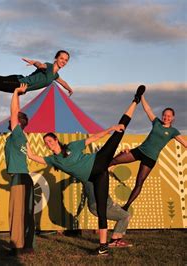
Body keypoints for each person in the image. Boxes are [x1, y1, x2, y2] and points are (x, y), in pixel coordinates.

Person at [25, 85, 145, 255]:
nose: (49, 145)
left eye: (50, 141)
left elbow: (93, 138)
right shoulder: (53, 160)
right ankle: (103, 246)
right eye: (46, 144)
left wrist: (110, 128)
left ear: (56, 140)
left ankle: (136, 100)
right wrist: (23, 134)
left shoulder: (73, 146)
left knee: (118, 133)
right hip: (96, 176)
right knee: (101, 210)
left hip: (99, 160)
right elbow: (31, 155)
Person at [110, 95, 186, 210]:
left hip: (150, 159)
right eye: (165, 115)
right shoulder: (156, 122)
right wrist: (142, 96)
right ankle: (98, 170)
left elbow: (185, 144)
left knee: (139, 182)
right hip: (140, 151)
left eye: (169, 116)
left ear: (173, 118)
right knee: (115, 160)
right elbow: (148, 110)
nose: (166, 117)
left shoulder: (173, 131)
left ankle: (126, 206)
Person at [4, 83, 35, 256]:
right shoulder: (23, 137)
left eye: (13, 120)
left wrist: (16, 92)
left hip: (20, 178)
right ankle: (27, 246)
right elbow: (31, 156)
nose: (9, 121)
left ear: (19, 123)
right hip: (24, 178)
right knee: (26, 213)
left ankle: (17, 247)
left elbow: (14, 111)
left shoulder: (17, 134)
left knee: (17, 213)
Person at [82, 181, 132, 248]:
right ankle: (114, 241)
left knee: (125, 215)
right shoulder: (93, 176)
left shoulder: (89, 177)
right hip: (99, 204)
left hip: (102, 203)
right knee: (125, 216)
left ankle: (117, 240)